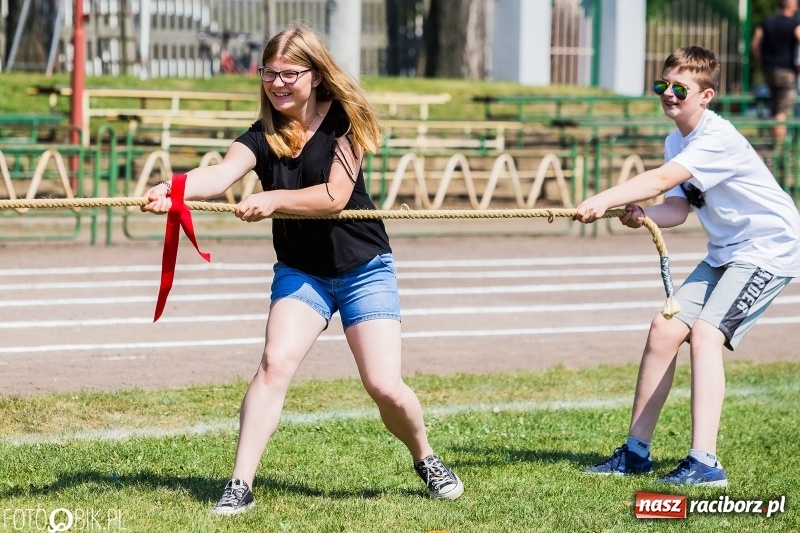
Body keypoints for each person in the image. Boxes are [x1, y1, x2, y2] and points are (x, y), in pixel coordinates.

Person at [141, 23, 463, 514]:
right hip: (301, 271)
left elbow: (334, 196)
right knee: (273, 366)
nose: (278, 83)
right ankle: (240, 484)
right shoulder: (261, 136)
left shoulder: (344, 122)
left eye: (289, 73)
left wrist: (271, 198)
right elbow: (223, 174)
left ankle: (426, 457)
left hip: (363, 267)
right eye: (270, 73)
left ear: (315, 75)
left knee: (383, 385)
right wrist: (173, 189)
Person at [574, 46, 800, 486]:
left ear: (706, 95)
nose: (669, 95)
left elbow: (660, 180)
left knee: (705, 334)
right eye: (663, 85)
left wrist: (603, 198)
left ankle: (705, 462)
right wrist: (642, 215)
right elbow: (675, 209)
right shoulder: (676, 139)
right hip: (726, 251)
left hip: (769, 247)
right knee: (664, 329)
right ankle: (636, 453)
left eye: (681, 88)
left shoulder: (716, 137)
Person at [750, 0, 800, 149]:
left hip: (769, 71)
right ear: (792, 7)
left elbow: (755, 44)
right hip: (786, 72)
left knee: (775, 108)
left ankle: (773, 145)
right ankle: (779, 152)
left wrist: (763, 61)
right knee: (782, 112)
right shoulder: (794, 23)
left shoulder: (767, 23)